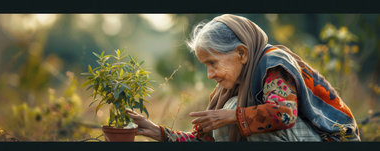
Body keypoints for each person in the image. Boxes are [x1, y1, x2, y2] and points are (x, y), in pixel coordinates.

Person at [125, 14, 360, 142]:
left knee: (236, 109)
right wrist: (159, 133)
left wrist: (231, 116)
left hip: (333, 140)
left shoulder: (273, 63)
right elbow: (205, 142)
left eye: (212, 63)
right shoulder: (230, 87)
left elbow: (284, 113)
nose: (210, 74)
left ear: (241, 53)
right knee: (234, 109)